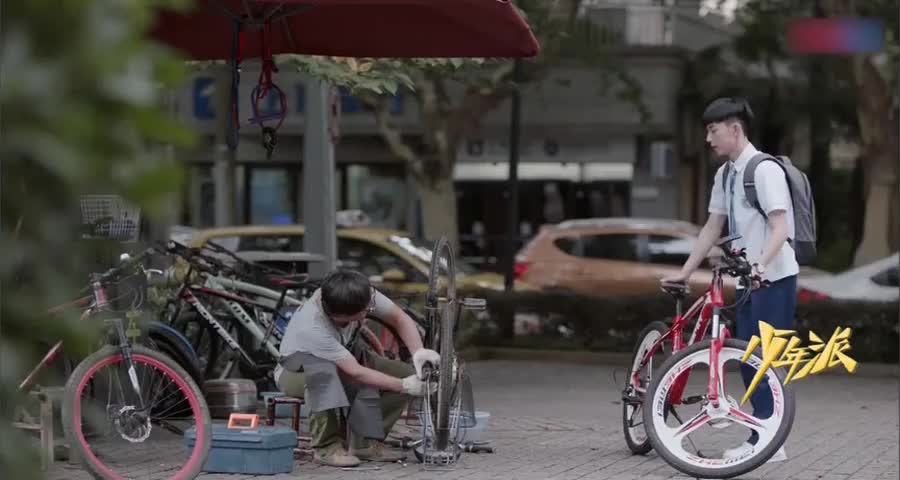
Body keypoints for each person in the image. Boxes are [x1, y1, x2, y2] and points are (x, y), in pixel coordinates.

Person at [660, 96, 797, 462]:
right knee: (747, 359)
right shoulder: (726, 174)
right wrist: (686, 272)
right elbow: (712, 226)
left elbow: (780, 227)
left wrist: (761, 265)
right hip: (750, 279)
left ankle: (767, 441)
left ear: (735, 130)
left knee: (762, 360)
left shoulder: (763, 170)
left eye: (713, 130)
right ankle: (766, 438)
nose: (708, 138)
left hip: (773, 278)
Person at [274, 269, 441, 468]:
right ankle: (326, 448)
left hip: (346, 356)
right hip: (296, 370)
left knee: (408, 375)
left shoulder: (358, 292)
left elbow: (399, 318)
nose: (371, 309)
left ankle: (365, 443)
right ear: (341, 316)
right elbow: (356, 372)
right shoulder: (313, 327)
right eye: (365, 311)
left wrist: (418, 352)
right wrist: (404, 386)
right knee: (324, 377)